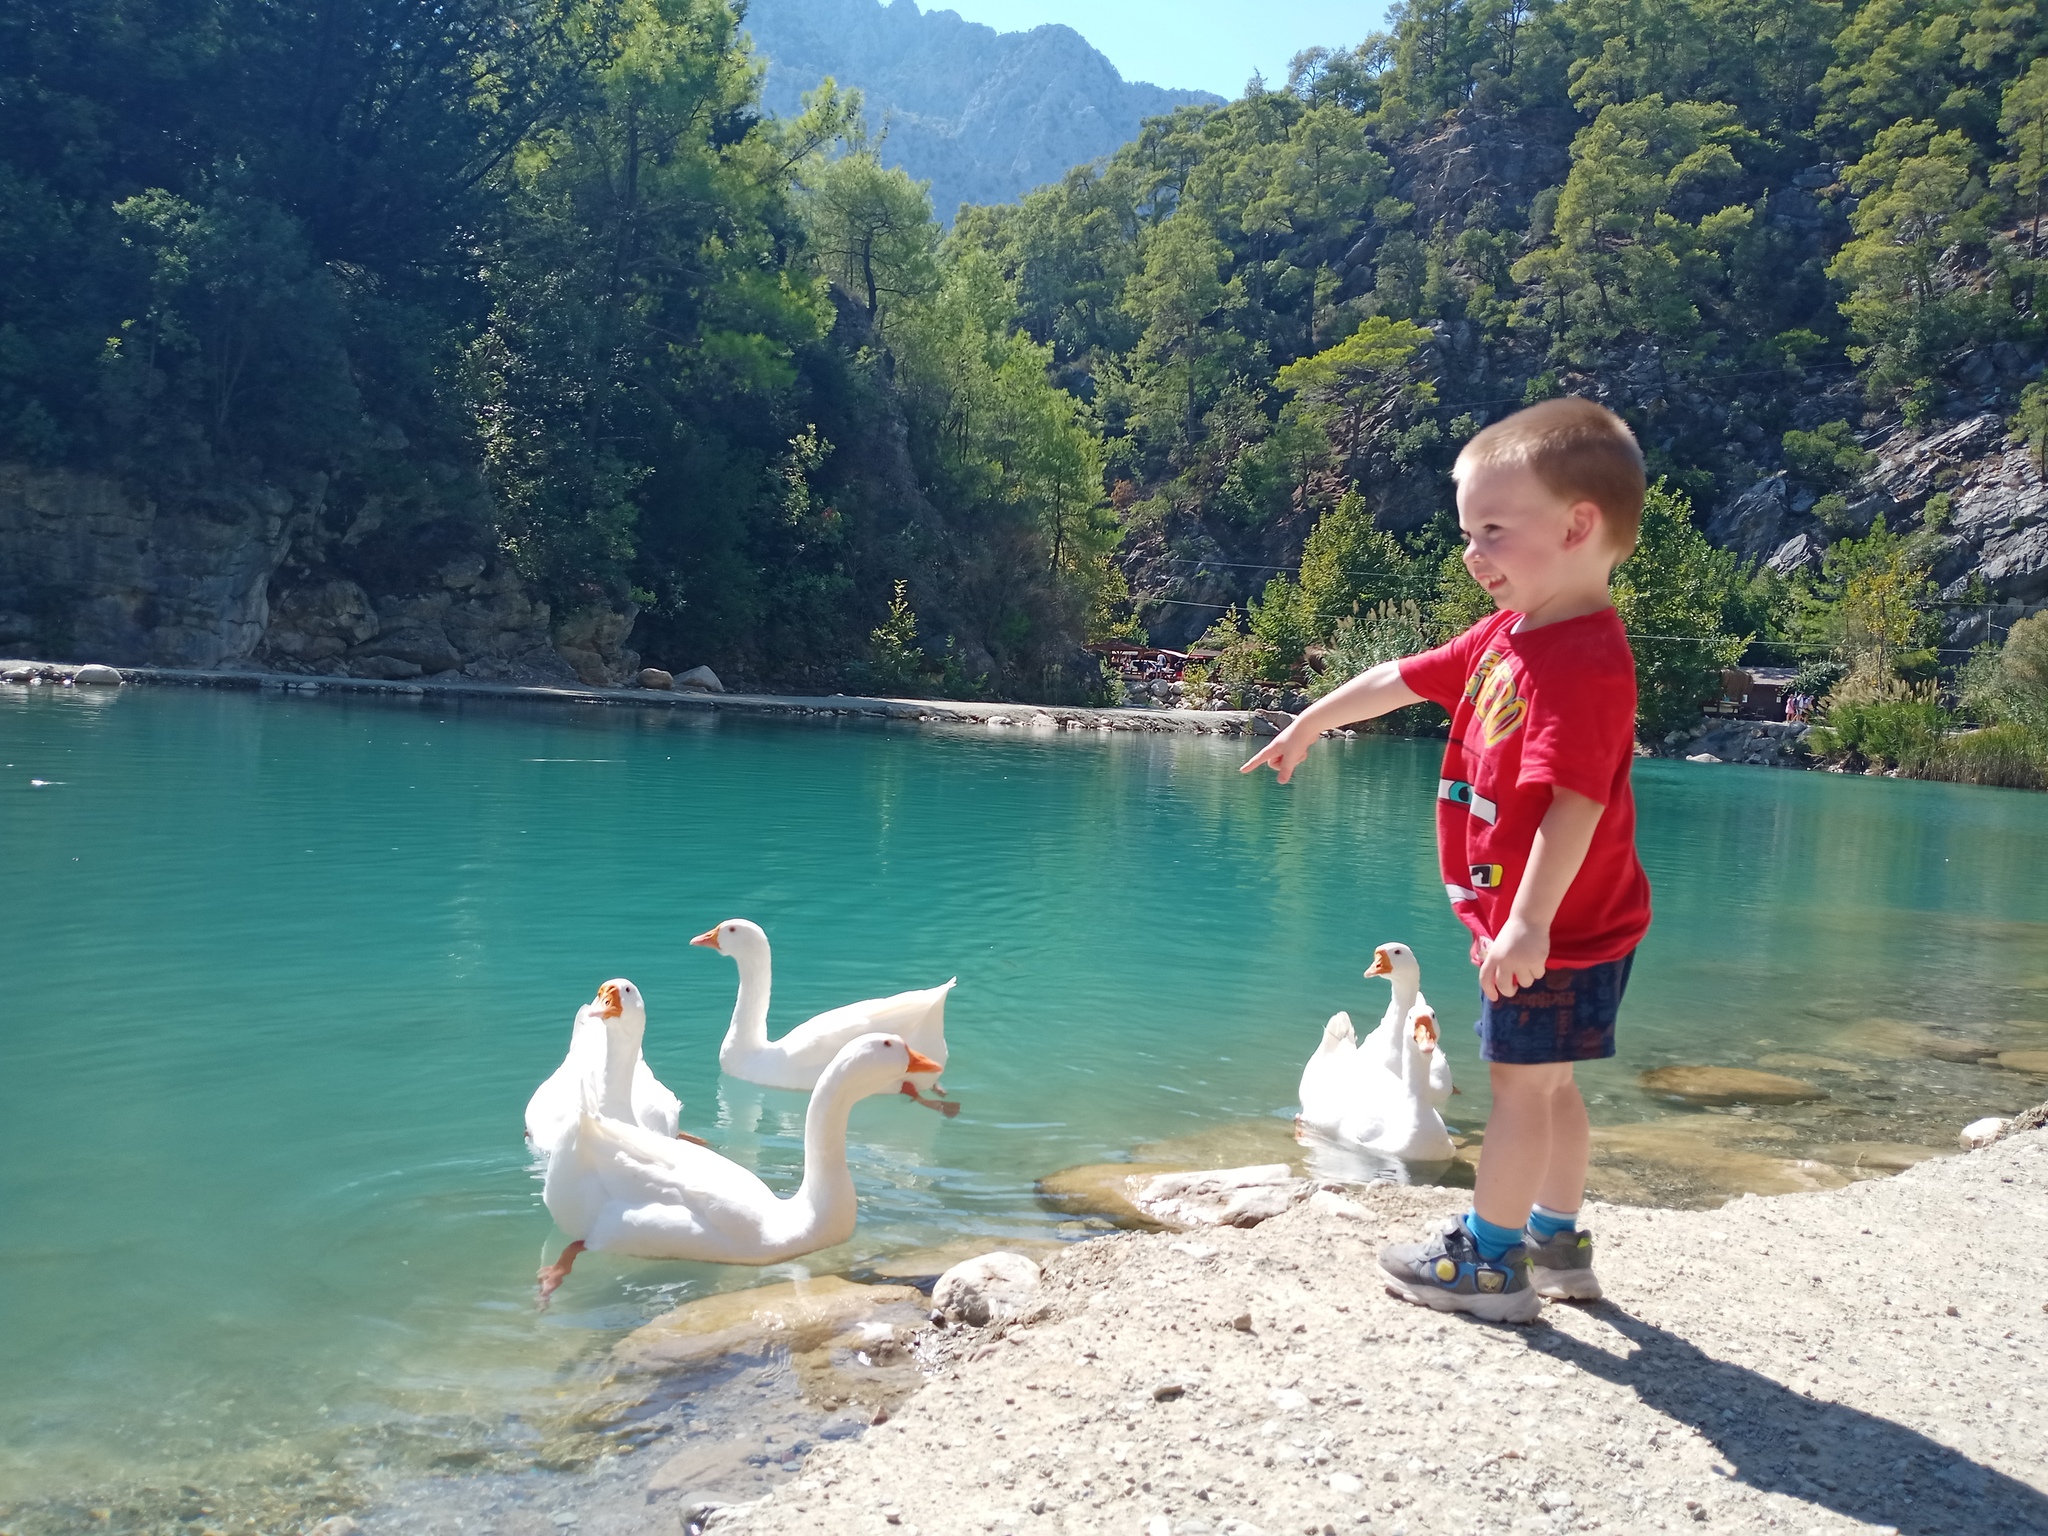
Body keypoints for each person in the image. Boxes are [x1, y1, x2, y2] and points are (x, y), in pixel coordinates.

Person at [1241, 396, 1653, 1323]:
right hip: (1571, 924)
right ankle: (1557, 1240)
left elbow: (1574, 806)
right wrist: (1311, 720)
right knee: (1551, 1085)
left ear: (1579, 526)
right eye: (1469, 532)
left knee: (1516, 1091)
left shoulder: (1582, 662)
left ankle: (1491, 1261)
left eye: (1495, 531)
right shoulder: (1512, 636)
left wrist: (1528, 923)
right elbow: (1402, 676)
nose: (1474, 554)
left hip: (1553, 928)